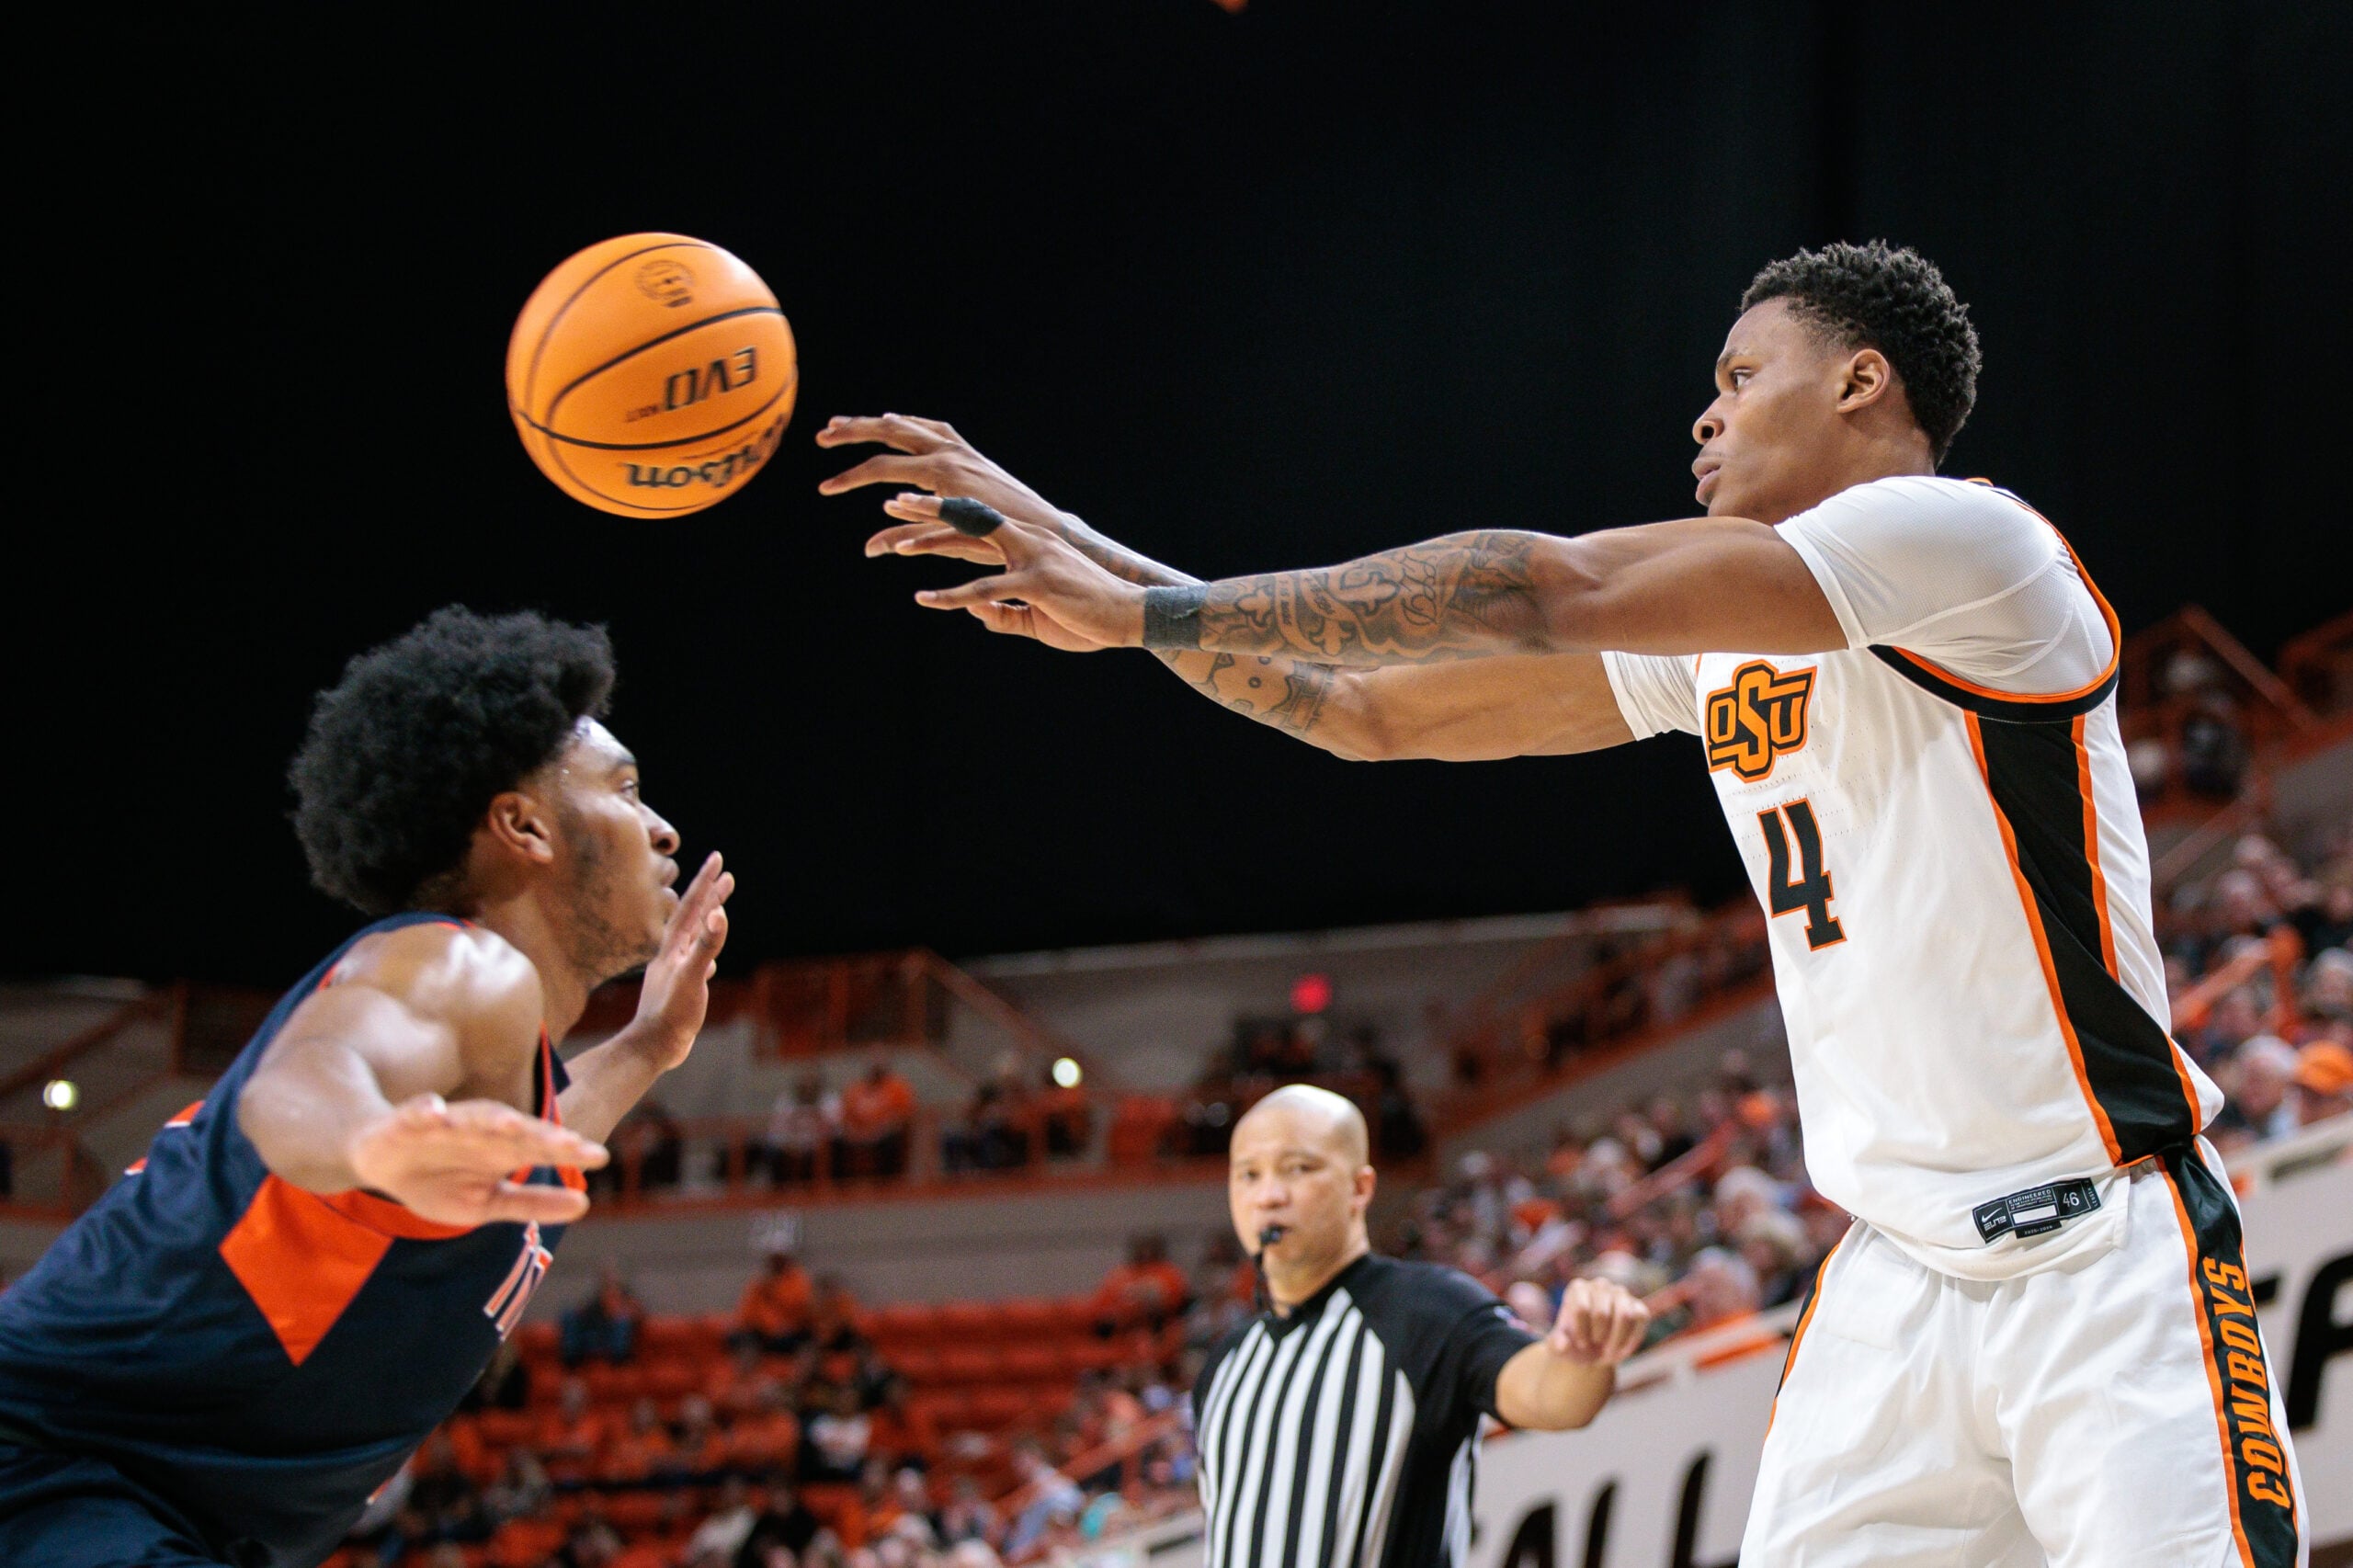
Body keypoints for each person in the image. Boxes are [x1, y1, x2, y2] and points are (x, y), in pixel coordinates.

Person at [824, 241, 2307, 1564]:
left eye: (1741, 375)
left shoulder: (1968, 543)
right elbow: (1367, 715)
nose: (1703, 413)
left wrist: (1155, 606)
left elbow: (1550, 589)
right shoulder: (1728, 652)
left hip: (2103, 1249)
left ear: (1862, 383)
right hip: (1895, 1281)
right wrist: (1104, 571)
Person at [0, 608, 737, 1568]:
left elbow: (548, 1134)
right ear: (522, 825)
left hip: (148, 1508)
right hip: (54, 1478)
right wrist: (365, 1142)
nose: (661, 825)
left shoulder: (500, 1077)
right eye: (626, 789)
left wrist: (647, 1046)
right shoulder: (455, 969)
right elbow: (309, 1079)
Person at [1204, 1086, 1645, 1568]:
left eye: (1299, 1168)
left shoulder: (1426, 1311)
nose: (1268, 1196)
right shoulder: (1226, 1362)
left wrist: (1580, 1355)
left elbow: (1547, 1392)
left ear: (1360, 1188)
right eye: (1248, 1175)